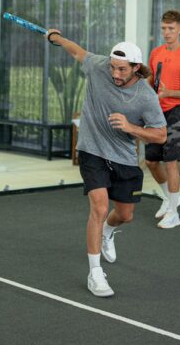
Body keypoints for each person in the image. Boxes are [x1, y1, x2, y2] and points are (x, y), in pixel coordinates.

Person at [47, 28, 167, 297]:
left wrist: (131, 128)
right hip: (91, 150)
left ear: (136, 68)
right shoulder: (99, 66)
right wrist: (56, 38)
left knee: (125, 215)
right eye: (113, 67)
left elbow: (161, 135)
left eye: (122, 69)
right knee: (99, 207)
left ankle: (109, 231)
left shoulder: (145, 96)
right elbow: (77, 52)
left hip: (124, 156)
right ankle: (95, 273)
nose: (115, 73)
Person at [145, 10, 180, 229]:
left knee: (171, 162)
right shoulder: (156, 53)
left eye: (171, 28)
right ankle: (170, 199)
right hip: (156, 113)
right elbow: (151, 80)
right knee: (151, 161)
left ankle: (174, 214)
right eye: (163, 28)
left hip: (177, 112)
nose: (166, 32)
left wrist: (170, 93)